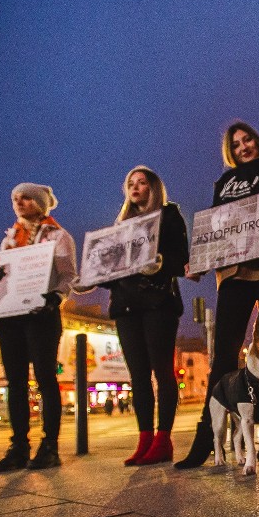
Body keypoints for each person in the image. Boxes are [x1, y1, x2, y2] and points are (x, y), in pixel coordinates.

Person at [175, 121, 259, 469]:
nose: (242, 147)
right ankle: (208, 436)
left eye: (247, 139)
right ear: (230, 152)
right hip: (233, 275)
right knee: (223, 356)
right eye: (235, 145)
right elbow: (216, 231)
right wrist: (199, 264)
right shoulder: (225, 183)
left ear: (257, 140)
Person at [105, 166, 189, 466]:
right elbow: (110, 269)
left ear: (154, 187)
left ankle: (163, 438)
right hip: (126, 305)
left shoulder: (169, 216)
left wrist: (161, 263)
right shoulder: (120, 226)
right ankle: (144, 439)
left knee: (162, 373)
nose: (135, 187)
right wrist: (92, 278)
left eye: (142, 182)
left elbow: (181, 258)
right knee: (137, 376)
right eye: (130, 183)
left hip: (157, 303)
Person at [0, 183, 77, 472]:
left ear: (40, 203)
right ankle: (18, 446)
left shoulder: (59, 236)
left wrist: (57, 296)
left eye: (26, 197)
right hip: (11, 317)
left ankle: (49, 446)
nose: (19, 202)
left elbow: (68, 276)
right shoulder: (9, 239)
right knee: (15, 382)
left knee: (45, 378)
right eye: (15, 198)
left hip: (42, 314)